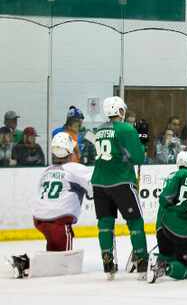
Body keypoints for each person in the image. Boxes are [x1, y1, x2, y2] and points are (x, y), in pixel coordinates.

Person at [10, 133, 93, 279]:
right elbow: (93, 188)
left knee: (54, 248)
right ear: (69, 151)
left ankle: (28, 263)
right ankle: (26, 264)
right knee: (64, 262)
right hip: (59, 219)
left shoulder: (47, 170)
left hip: (39, 219)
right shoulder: (75, 168)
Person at [91, 96, 148, 279]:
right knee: (135, 222)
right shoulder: (125, 129)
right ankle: (141, 264)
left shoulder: (98, 130)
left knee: (105, 225)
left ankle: (108, 264)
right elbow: (138, 157)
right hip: (121, 181)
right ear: (120, 111)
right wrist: (141, 144)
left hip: (99, 183)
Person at [149, 151, 187, 283]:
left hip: (164, 225)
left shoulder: (170, 176)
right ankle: (165, 268)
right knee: (186, 269)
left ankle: (160, 260)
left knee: (169, 256)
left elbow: (164, 201)